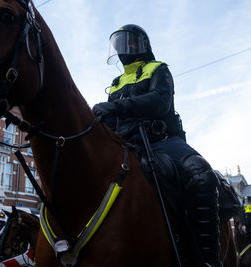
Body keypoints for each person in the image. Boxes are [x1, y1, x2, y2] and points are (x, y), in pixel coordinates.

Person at [93, 24, 222, 267]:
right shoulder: (117, 81)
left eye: (130, 42)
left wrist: (116, 107)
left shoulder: (158, 69)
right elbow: (111, 119)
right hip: (124, 142)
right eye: (120, 44)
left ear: (142, 45)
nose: (124, 48)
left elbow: (160, 102)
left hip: (159, 140)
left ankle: (209, 260)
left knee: (200, 172)